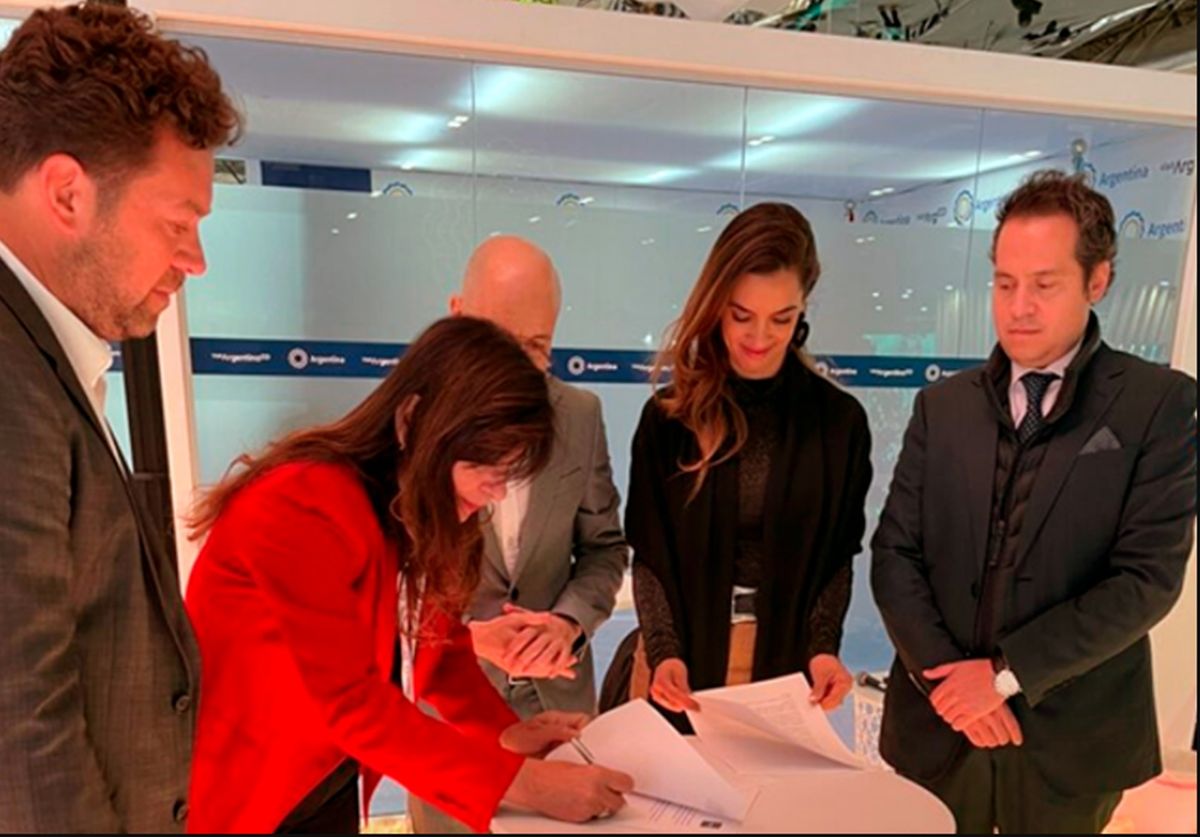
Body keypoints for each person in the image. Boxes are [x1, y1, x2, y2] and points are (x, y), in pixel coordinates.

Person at [185, 317, 634, 834]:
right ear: (413, 420)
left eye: (506, 476)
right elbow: (354, 704)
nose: (495, 493)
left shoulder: (407, 513)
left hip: (327, 781)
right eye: (486, 471)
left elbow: (439, 652)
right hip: (254, 795)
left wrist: (507, 736)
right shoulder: (303, 505)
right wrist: (526, 783)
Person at [871, 170, 1197, 834]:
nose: (1019, 306)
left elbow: (1146, 581)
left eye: (1044, 285)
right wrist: (947, 682)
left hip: (1073, 741)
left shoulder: (1158, 404)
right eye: (1005, 283)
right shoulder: (944, 405)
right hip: (937, 733)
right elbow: (894, 553)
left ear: (1097, 280)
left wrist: (1001, 676)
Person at [0, 4, 240, 831]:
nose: (194, 261)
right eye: (178, 222)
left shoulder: (45, 351)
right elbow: (19, 715)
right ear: (67, 191)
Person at [407, 236, 629, 833]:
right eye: (499, 340)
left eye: (537, 347)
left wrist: (569, 623)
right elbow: (395, 586)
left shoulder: (579, 415)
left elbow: (606, 549)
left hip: (561, 712)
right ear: (457, 317)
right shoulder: (410, 422)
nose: (516, 366)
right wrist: (472, 639)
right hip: (448, 716)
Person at [626, 202, 873, 726]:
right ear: (716, 306)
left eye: (781, 319)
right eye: (741, 316)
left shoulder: (838, 425)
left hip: (787, 678)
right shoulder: (670, 420)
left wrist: (824, 647)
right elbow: (649, 554)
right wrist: (664, 650)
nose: (759, 337)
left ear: (802, 310)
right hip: (680, 673)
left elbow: (836, 559)